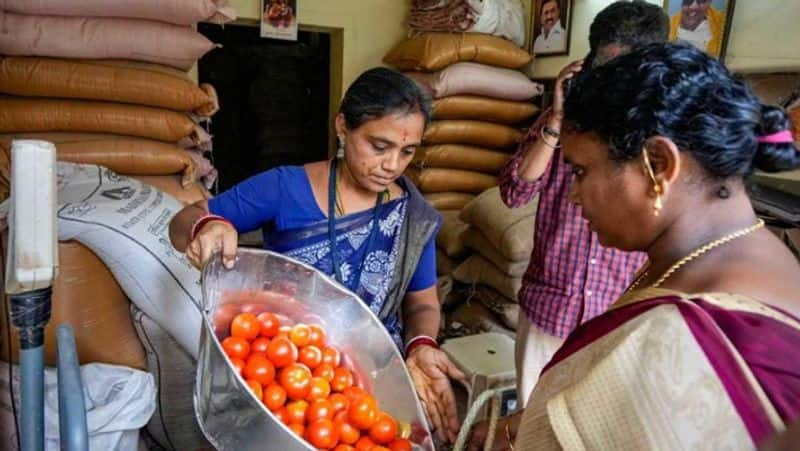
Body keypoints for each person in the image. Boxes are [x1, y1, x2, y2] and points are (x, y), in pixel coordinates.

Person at [513, 42, 800, 450]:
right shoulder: (732, 256)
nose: (574, 196)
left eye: (580, 171)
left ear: (659, 166)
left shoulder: (694, 324)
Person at [169, 67, 467, 443]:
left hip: (366, 376)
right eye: (379, 146)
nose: (392, 165)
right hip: (281, 369)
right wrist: (206, 227)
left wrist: (421, 344)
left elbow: (423, 304)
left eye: (407, 151)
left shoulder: (413, 216)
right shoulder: (285, 187)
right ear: (342, 126)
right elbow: (183, 219)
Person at [468, 5, 669, 448]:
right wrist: (557, 119)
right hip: (552, 308)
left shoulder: (665, 134)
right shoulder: (565, 120)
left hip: (619, 317)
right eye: (605, 67)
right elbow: (516, 193)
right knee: (535, 429)